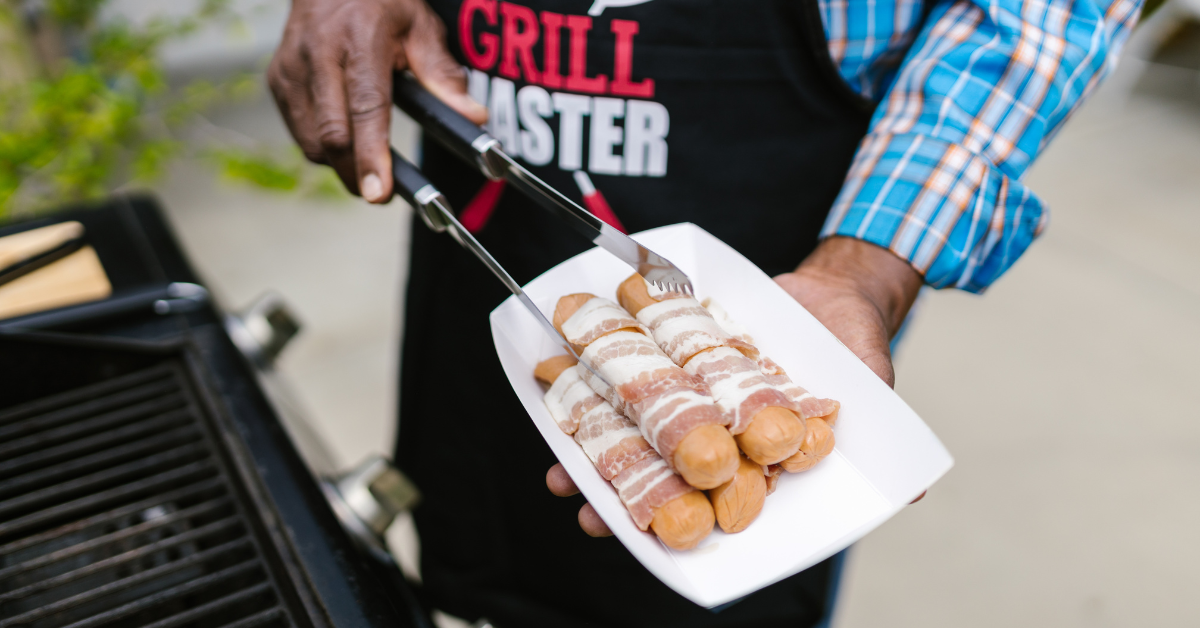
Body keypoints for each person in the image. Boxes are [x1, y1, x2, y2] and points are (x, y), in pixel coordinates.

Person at [268, 1, 1141, 625]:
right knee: (487, 532)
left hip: (779, 246)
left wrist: (863, 269)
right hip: (491, 168)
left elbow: (1037, 16)